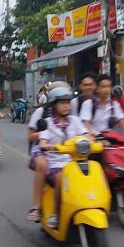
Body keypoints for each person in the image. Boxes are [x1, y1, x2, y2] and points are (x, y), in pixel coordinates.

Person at [32, 87, 89, 228]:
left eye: (68, 102)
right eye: (62, 103)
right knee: (60, 178)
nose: (66, 106)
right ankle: (56, 215)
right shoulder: (47, 123)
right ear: (54, 105)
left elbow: (86, 135)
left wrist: (94, 141)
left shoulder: (75, 121)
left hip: (73, 162)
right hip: (54, 163)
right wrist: (46, 145)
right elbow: (43, 140)